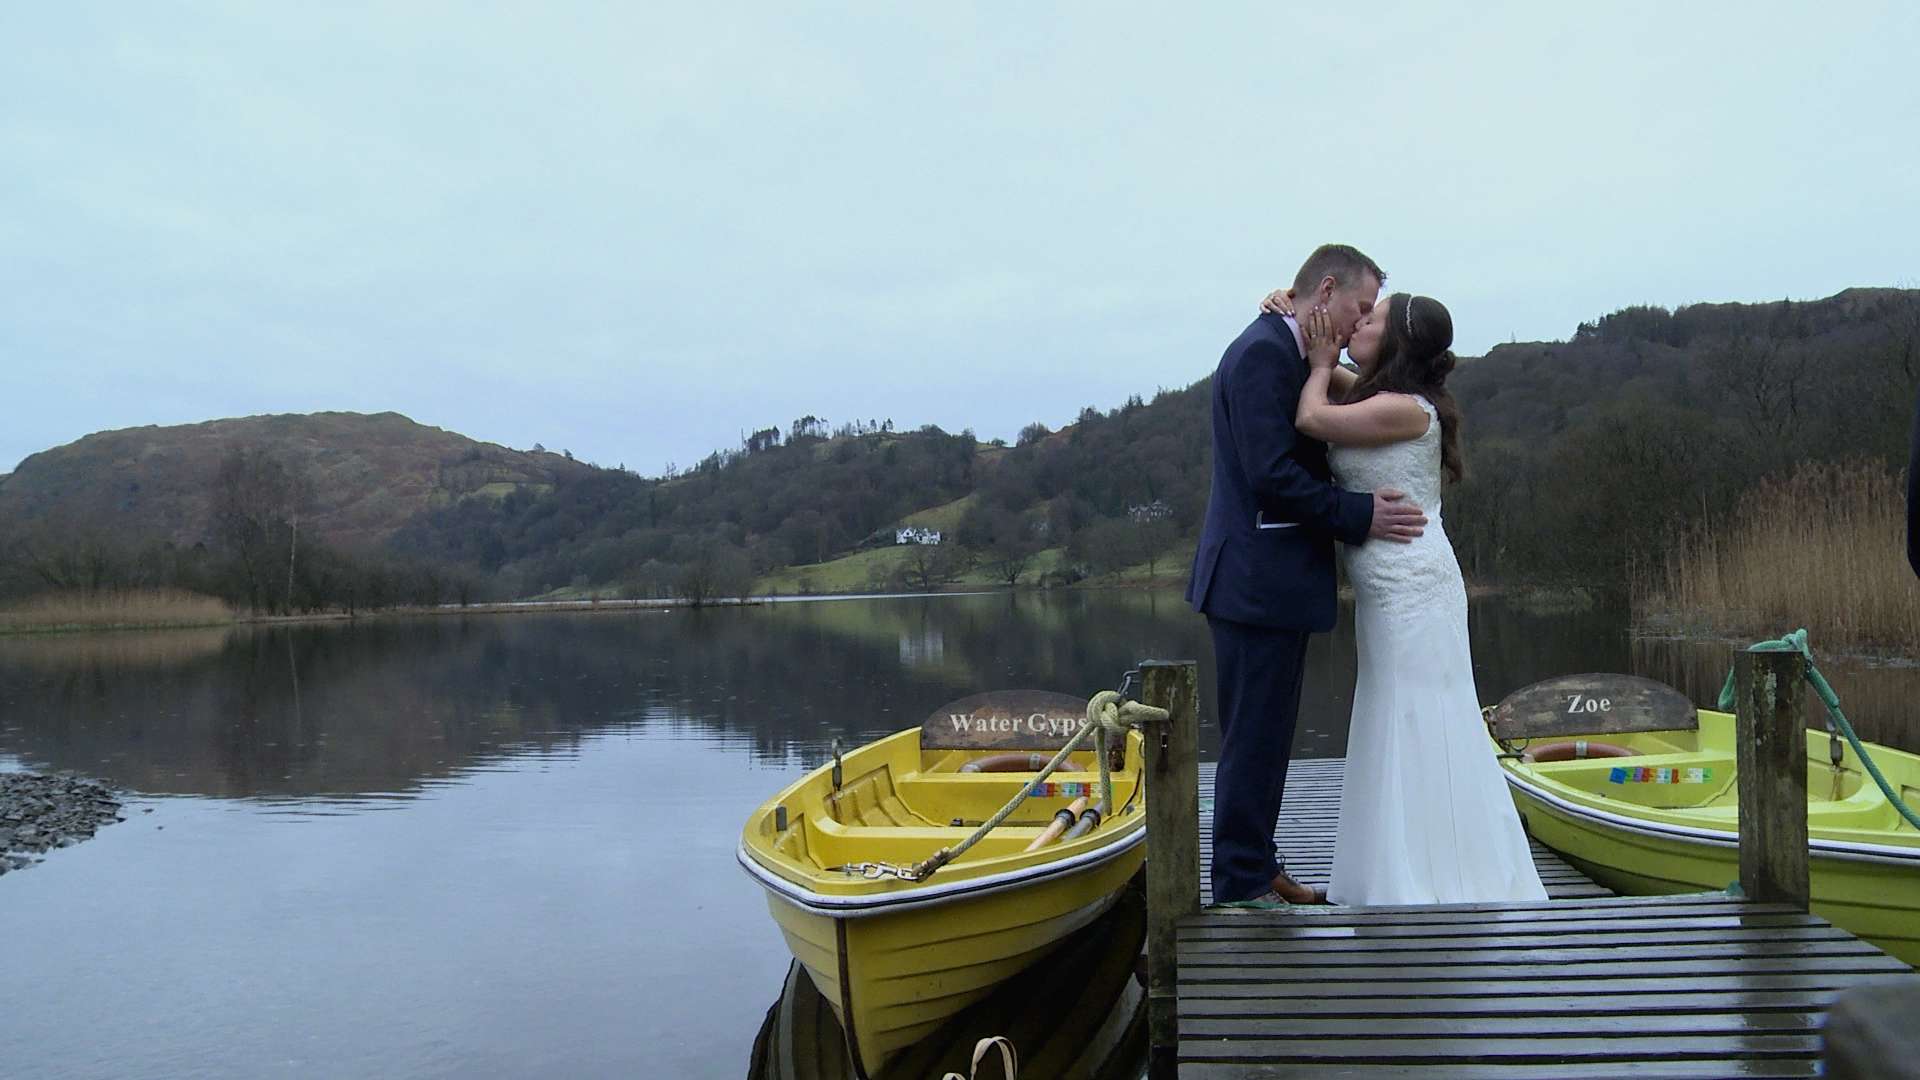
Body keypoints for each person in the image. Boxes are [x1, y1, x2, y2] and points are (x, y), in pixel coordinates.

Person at [1279, 289, 1547, 905]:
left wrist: (1320, 364)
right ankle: (1402, 863)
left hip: (1414, 588)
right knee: (1392, 710)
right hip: (1386, 587)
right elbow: (1334, 376)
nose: (1357, 324)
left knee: (1425, 717)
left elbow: (1312, 419)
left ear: (1395, 341)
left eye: (1368, 319)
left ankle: (1435, 876)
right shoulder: (1380, 397)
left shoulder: (1406, 410)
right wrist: (1290, 309)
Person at [1185, 244, 1426, 906]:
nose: (1360, 322)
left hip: (1268, 583)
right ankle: (1240, 884)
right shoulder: (1264, 353)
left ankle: (1258, 866)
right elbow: (1271, 474)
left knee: (1266, 738)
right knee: (1252, 741)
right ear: (1325, 290)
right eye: (1360, 307)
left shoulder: (1286, 348)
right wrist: (1359, 515)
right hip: (1253, 582)